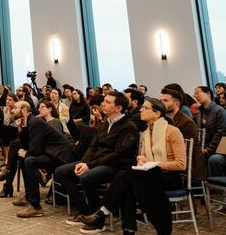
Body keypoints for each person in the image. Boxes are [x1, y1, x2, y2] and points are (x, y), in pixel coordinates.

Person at [78, 98, 186, 234]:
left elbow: (181, 165)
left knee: (125, 176)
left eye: (145, 108)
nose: (141, 110)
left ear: (157, 113)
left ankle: (103, 214)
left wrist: (154, 163)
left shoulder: (172, 131)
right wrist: (141, 159)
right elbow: (143, 158)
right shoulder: (146, 132)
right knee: (127, 182)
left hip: (169, 178)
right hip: (149, 175)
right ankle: (127, 229)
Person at [53, 91, 139, 225]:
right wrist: (82, 163)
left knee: (87, 176)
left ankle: (97, 219)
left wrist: (89, 166)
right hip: (98, 162)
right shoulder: (105, 123)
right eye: (104, 101)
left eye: (108, 102)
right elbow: (93, 147)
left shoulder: (128, 127)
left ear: (118, 108)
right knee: (60, 172)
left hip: (116, 166)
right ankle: (84, 210)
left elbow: (117, 154)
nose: (102, 104)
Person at [1, 101, 74, 218]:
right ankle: (29, 196)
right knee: (25, 157)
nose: (12, 110)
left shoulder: (34, 121)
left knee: (29, 159)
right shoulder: (28, 121)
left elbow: (34, 149)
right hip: (50, 153)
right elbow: (27, 144)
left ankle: (35, 206)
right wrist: (20, 129)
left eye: (15, 108)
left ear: (24, 110)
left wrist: (26, 153)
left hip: (60, 155)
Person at [160, 87, 206, 181]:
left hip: (188, 164)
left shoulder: (186, 123)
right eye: (160, 100)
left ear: (176, 104)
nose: (161, 103)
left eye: (165, 100)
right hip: (173, 160)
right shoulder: (165, 120)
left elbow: (188, 151)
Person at [193, 86, 226, 164]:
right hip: (205, 147)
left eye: (198, 93)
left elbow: (221, 133)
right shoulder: (199, 112)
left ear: (208, 93)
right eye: (195, 95)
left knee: (214, 159)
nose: (196, 96)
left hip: (221, 148)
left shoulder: (219, 111)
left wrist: (208, 149)